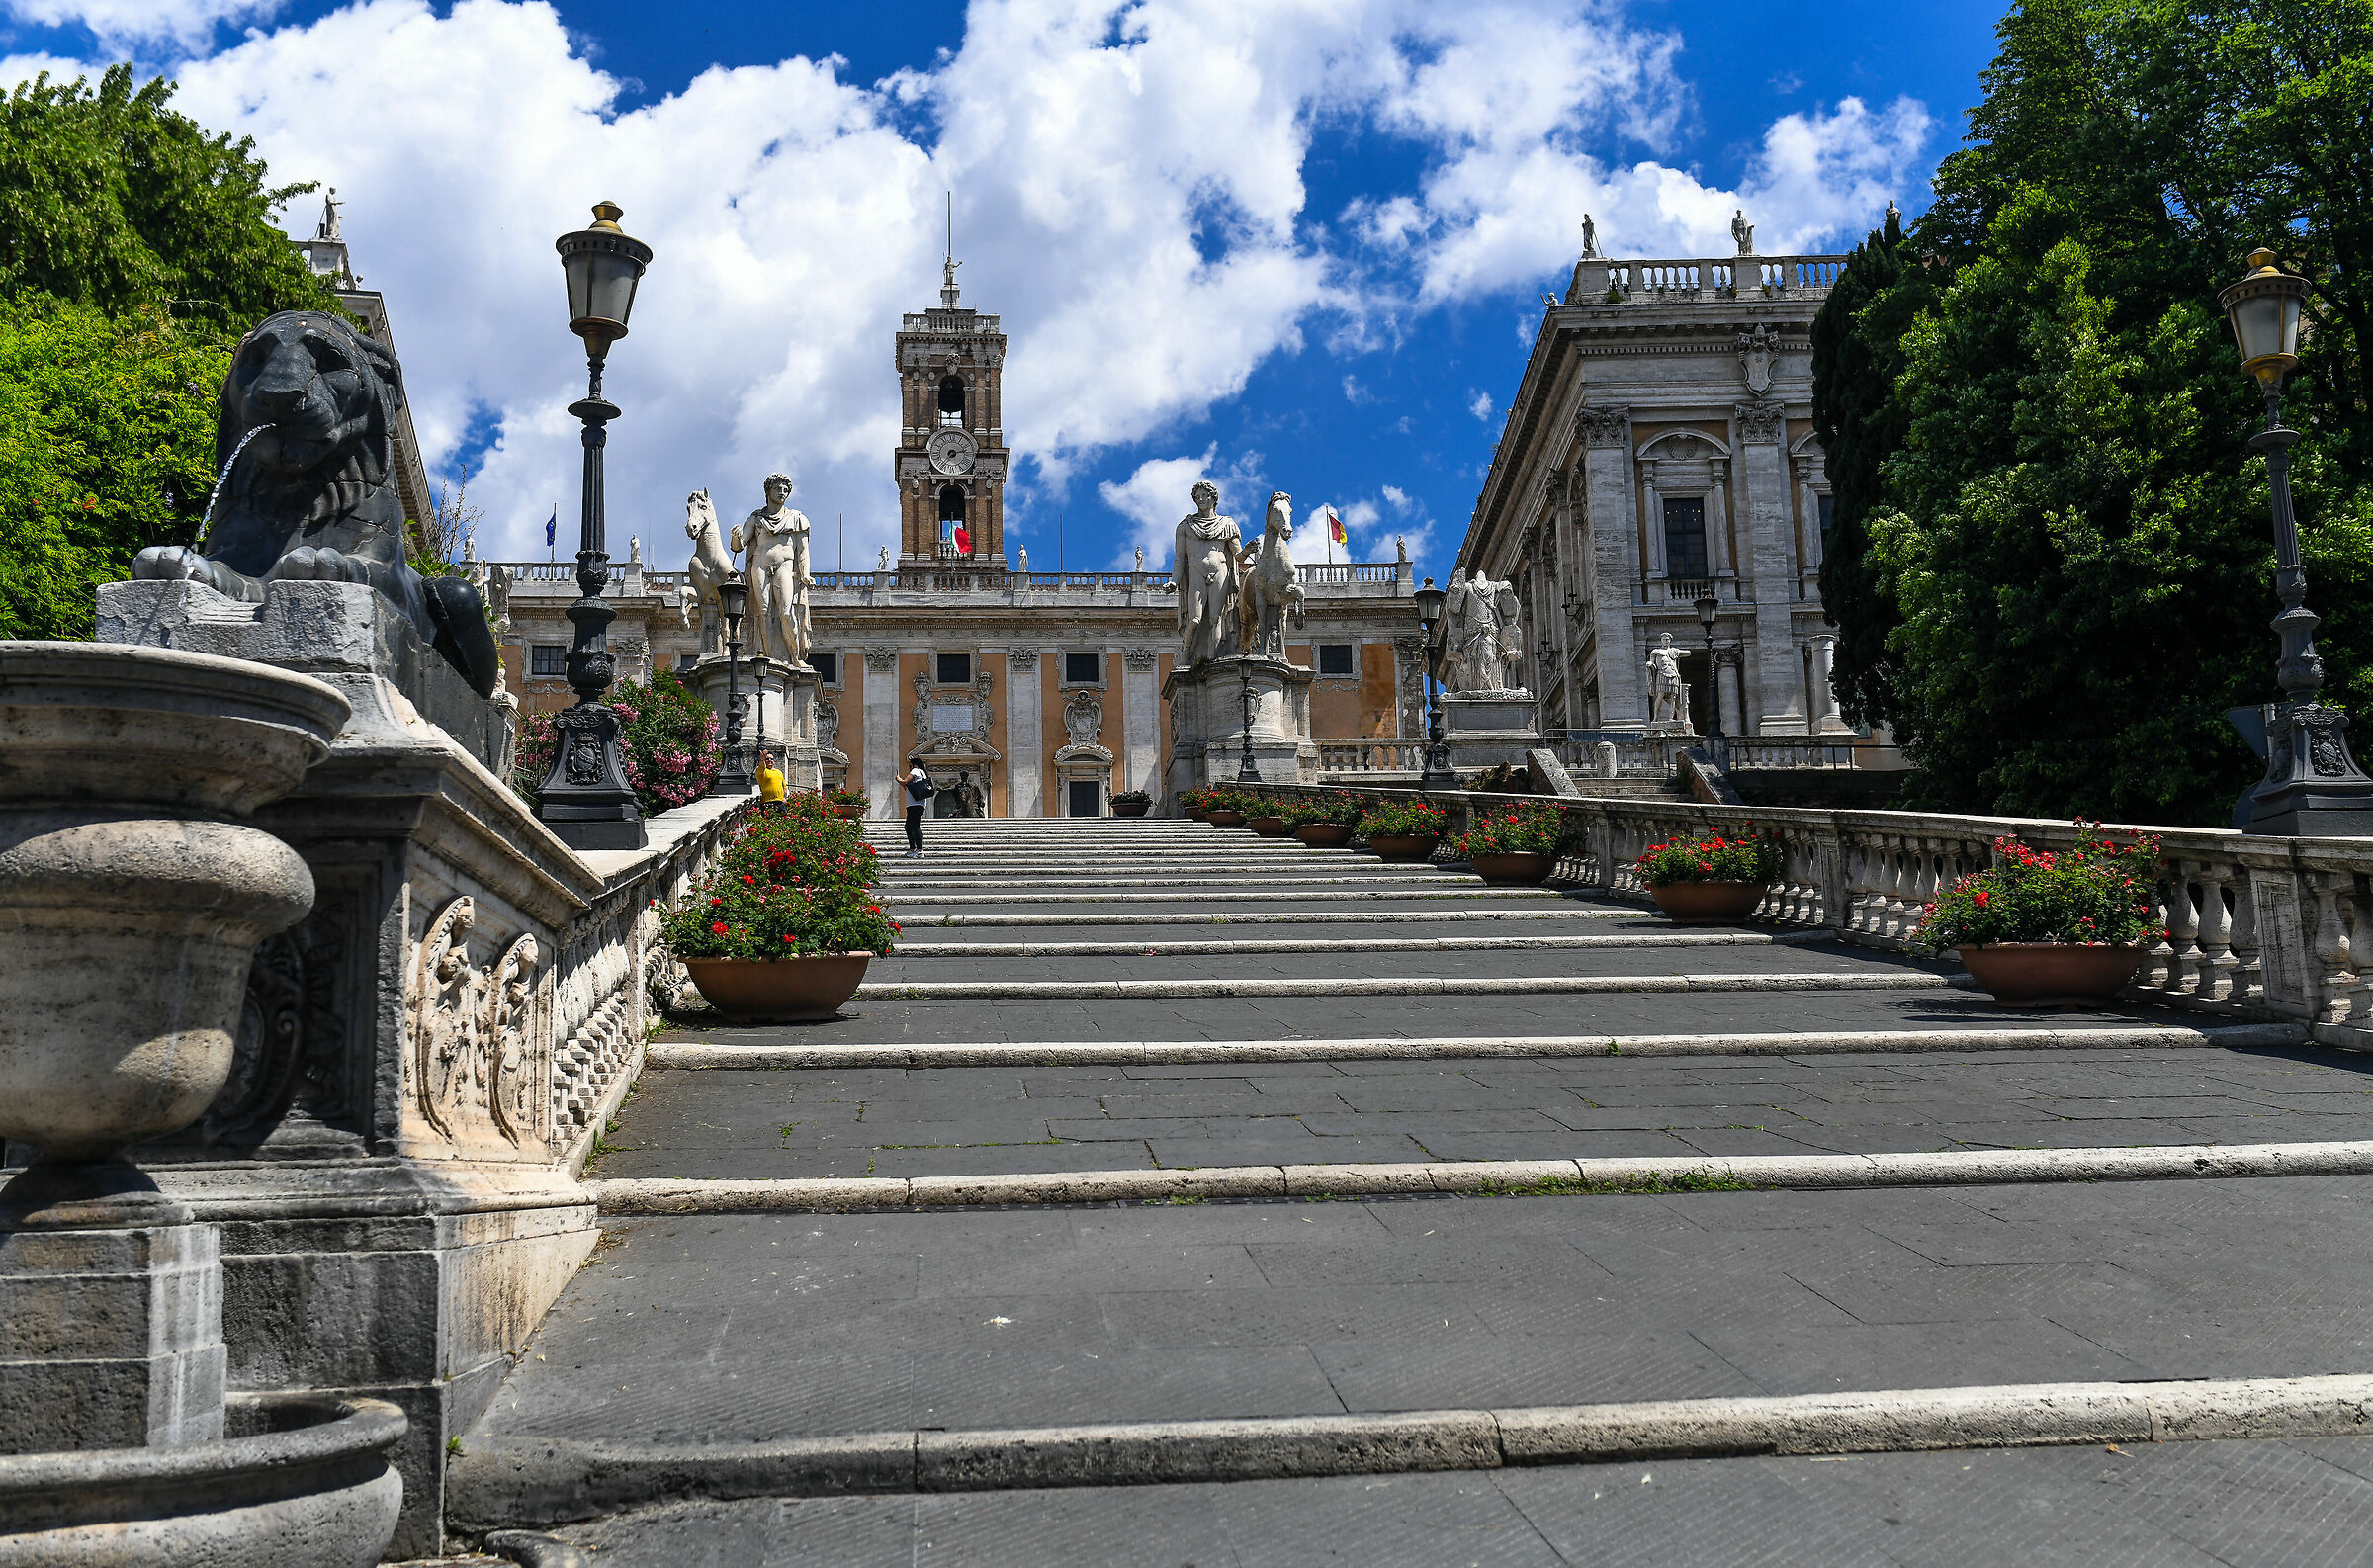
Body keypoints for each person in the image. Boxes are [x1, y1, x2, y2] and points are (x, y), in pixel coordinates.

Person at [902, 762, 935, 856]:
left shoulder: (915, 771)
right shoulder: (923, 774)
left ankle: (919, 850)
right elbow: (908, 787)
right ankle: (912, 849)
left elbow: (905, 782)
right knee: (908, 826)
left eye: (909, 766)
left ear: (914, 765)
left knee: (915, 826)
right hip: (919, 804)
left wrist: (898, 779)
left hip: (914, 804)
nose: (909, 768)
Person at [754, 749, 786, 815]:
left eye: (771, 759)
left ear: (774, 761)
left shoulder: (779, 772)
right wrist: (762, 759)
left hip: (780, 802)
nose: (769, 760)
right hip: (767, 802)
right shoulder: (762, 771)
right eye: (767, 759)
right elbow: (761, 766)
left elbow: (784, 787)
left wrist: (783, 797)